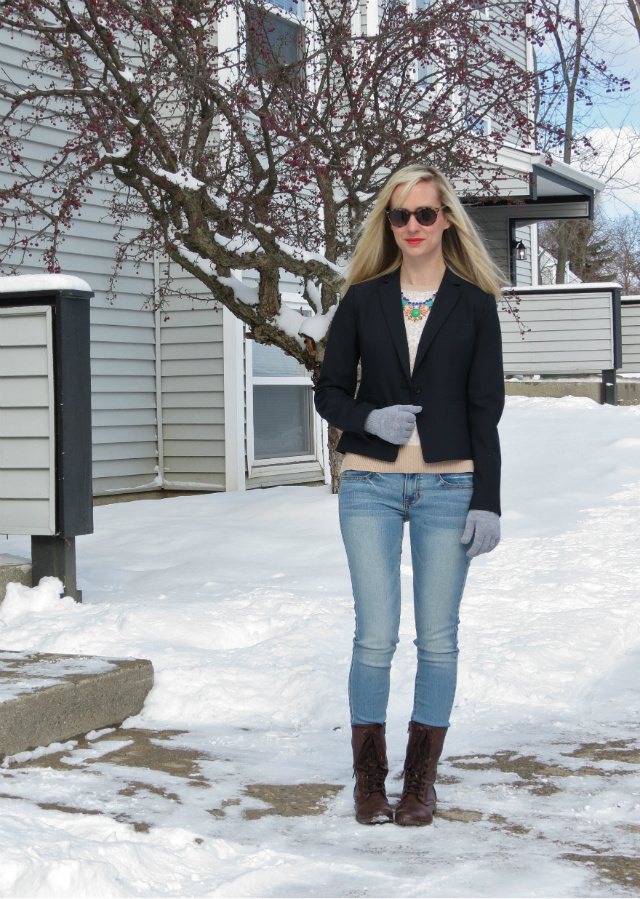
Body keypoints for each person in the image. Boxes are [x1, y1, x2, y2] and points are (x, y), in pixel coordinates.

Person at [314, 164, 505, 827]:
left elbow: (487, 409)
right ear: (387, 224)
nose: (414, 226)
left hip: (451, 486)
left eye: (426, 214)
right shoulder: (363, 299)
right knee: (374, 636)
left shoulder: (475, 303)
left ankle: (420, 783)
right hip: (369, 483)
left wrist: (490, 498)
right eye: (402, 216)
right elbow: (329, 391)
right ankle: (371, 783)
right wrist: (368, 419)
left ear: (447, 218)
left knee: (439, 640)